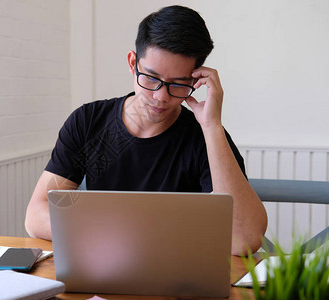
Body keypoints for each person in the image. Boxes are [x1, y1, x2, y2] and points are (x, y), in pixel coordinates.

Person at [25, 5, 267, 256]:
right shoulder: (88, 122)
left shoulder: (205, 136)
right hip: (106, 262)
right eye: (151, 78)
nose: (160, 96)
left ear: (196, 82)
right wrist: (120, 237)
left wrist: (212, 126)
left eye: (178, 85)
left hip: (179, 274)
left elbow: (244, 239)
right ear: (133, 63)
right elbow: (36, 215)